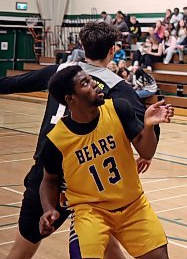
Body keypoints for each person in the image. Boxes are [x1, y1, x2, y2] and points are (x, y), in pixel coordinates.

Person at [0, 21, 164, 259]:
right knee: (106, 241)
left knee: (23, 249)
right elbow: (149, 125)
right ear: (112, 50)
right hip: (88, 178)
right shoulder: (117, 88)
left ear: (82, 47)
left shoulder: (62, 71)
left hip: (51, 171)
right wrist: (146, 154)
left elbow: (15, 83)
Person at [40, 65, 171, 258]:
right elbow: (49, 180)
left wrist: (149, 126)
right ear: (71, 99)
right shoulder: (56, 140)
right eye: (85, 83)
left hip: (133, 205)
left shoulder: (119, 108)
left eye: (90, 79)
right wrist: (49, 209)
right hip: (90, 212)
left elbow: (146, 151)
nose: (94, 83)